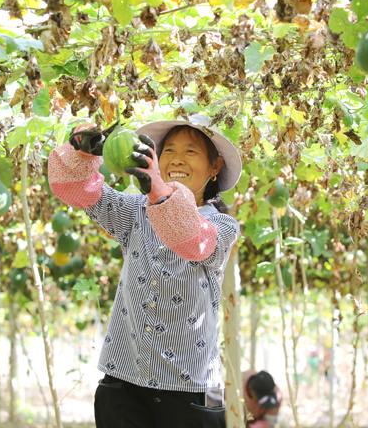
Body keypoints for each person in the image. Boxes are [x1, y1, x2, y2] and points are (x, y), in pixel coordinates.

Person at [48, 114, 242, 428]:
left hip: (191, 389)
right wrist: (81, 153)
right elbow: (76, 191)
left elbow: (195, 241)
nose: (177, 159)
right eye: (168, 151)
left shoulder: (222, 226)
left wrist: (158, 192)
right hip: (124, 382)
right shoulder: (134, 211)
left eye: (190, 152)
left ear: (215, 167)